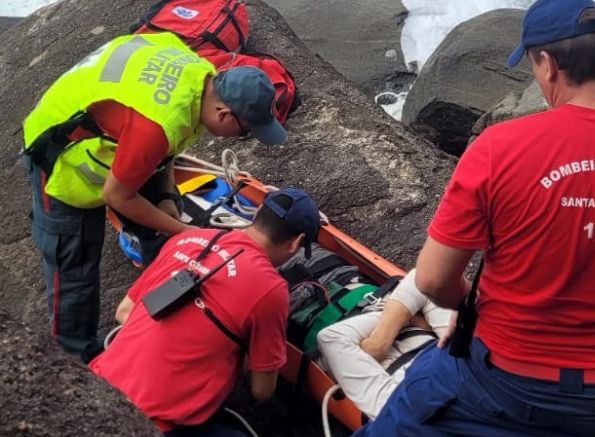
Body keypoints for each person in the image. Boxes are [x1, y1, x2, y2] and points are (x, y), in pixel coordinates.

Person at [354, 0, 595, 436]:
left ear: (549, 64)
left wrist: (472, 311)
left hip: (499, 385)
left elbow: (433, 281)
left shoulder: (498, 147)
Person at [22, 31, 287, 361]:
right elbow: (118, 195)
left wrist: (164, 197)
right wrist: (190, 233)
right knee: (75, 261)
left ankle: (160, 299)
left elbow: (167, 144)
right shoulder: (157, 125)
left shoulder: (200, 75)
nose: (243, 137)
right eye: (246, 131)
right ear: (223, 114)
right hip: (62, 152)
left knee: (164, 221)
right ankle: (74, 360)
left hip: (124, 131)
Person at [89, 187, 320, 436]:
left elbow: (124, 311)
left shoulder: (187, 239)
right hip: (151, 422)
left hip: (98, 385)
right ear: (296, 243)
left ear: (259, 212)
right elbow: (262, 390)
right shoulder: (271, 290)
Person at [317, 268, 453, 420]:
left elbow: (331, 337)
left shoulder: (400, 412)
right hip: (375, 309)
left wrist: (401, 319)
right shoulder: (469, 360)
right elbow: (427, 277)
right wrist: (385, 335)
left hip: (348, 324)